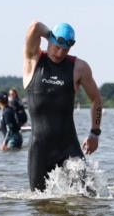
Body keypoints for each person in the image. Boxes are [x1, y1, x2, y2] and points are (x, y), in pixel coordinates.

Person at [22, 21, 103, 191]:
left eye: (65, 49)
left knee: (87, 198)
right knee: (38, 201)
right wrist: (50, 34)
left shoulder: (79, 67)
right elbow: (35, 27)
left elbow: (96, 99)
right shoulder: (33, 60)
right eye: (56, 47)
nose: (59, 53)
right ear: (49, 40)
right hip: (40, 150)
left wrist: (94, 133)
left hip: (69, 147)